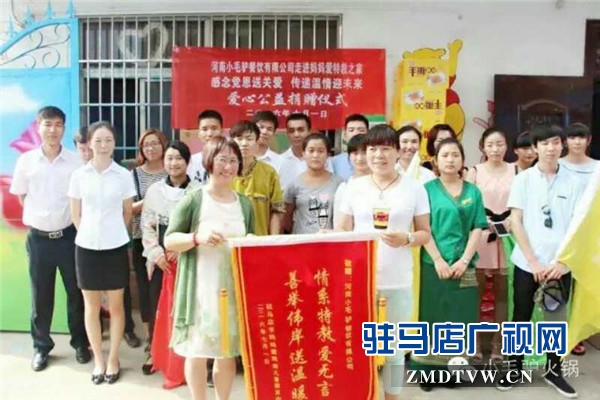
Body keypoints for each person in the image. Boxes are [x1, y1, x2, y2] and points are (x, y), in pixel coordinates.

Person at [336, 124, 431, 400]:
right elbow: (342, 229)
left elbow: (425, 234)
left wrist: (407, 238)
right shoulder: (354, 188)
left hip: (398, 280)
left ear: (397, 152)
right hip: (359, 280)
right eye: (373, 149)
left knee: (394, 350)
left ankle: (392, 397)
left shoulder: (414, 188)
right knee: (356, 347)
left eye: (386, 149)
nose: (379, 155)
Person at [165, 137, 255, 400]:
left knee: (226, 352)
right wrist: (196, 238)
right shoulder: (194, 199)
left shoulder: (244, 204)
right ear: (209, 162)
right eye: (222, 159)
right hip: (200, 289)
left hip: (232, 291)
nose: (228, 166)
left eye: (233, 161)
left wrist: (251, 243)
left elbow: (251, 242)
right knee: (197, 350)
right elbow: (169, 240)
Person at [498, 125, 582, 397]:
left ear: (562, 145)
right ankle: (514, 368)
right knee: (520, 317)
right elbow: (516, 221)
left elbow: (578, 224)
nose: (550, 148)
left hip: (560, 265)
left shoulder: (573, 181)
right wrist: (533, 261)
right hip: (527, 263)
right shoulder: (523, 180)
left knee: (555, 320)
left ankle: (554, 371)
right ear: (535, 148)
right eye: (544, 143)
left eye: (555, 142)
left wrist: (563, 262)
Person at [9, 106, 89, 372]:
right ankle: (41, 347)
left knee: (76, 293)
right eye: (48, 124)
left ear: (64, 128)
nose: (53, 130)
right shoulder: (26, 161)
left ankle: (80, 343)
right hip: (39, 240)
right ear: (38, 126)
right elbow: (22, 196)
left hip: (68, 237)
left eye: (58, 124)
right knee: (41, 296)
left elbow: (81, 199)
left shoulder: (75, 162)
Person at [410, 138, 488, 392]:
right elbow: (423, 228)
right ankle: (426, 372)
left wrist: (464, 260)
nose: (450, 160)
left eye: (455, 155)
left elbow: (478, 227)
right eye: (445, 155)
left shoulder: (473, 192)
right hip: (432, 264)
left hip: (465, 266)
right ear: (435, 160)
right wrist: (438, 260)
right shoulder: (425, 190)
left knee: (460, 319)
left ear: (463, 160)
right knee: (431, 317)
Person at [68, 121, 136, 384]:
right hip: (86, 249)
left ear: (114, 143)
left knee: (117, 307)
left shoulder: (123, 175)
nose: (103, 145)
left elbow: (127, 212)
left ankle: (113, 358)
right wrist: (89, 235)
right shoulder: (79, 175)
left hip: (115, 248)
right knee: (91, 307)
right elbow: (76, 214)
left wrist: (111, 234)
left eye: (108, 140)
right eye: (98, 140)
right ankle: (98, 359)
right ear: (89, 143)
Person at [141, 141, 197, 386]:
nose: (174, 163)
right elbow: (147, 225)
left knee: (186, 312)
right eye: (170, 158)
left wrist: (181, 248)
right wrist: (157, 254)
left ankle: (188, 361)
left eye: (179, 158)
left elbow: (199, 226)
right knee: (158, 308)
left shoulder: (197, 192)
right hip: (161, 262)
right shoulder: (154, 191)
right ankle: (156, 354)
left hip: (186, 261)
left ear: (187, 162)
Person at [465, 128, 516, 363]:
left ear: (507, 146)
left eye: (499, 144)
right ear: (482, 147)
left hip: (508, 237)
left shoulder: (516, 171)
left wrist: (510, 221)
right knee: (474, 295)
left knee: (503, 295)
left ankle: (498, 346)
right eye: (490, 144)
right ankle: (474, 343)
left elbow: (522, 204)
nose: (495, 149)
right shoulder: (474, 172)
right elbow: (466, 204)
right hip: (480, 237)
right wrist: (482, 220)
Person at [126, 129, 169, 354]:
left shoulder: (172, 170)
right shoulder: (133, 175)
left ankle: (166, 334)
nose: (151, 148)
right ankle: (151, 334)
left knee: (164, 287)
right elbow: (129, 209)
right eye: (146, 145)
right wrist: (152, 199)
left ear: (163, 145)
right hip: (141, 238)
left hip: (168, 239)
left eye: (155, 143)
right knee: (145, 287)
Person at [558, 122, 599, 356]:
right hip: (561, 232)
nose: (576, 142)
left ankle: (577, 334)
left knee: (583, 283)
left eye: (581, 137)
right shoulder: (557, 165)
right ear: (565, 141)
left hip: (590, 235)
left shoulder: (597, 168)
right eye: (572, 137)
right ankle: (560, 333)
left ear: (588, 140)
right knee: (561, 285)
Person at [230, 120, 285, 236]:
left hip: (260, 239)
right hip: (231, 240)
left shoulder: (269, 172)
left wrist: (273, 240)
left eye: (249, 139)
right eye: (239, 139)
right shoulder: (224, 172)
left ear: (257, 143)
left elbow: (276, 211)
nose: (244, 143)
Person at [283, 133, 343, 234]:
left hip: (329, 240)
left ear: (328, 155)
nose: (315, 155)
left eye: (320, 151)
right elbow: (286, 218)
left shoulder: (338, 183)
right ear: (303, 153)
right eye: (311, 151)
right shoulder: (293, 184)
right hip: (302, 240)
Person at [277, 113, 333, 190]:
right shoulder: (279, 161)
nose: (296, 135)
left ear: (309, 131)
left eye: (301, 130)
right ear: (287, 134)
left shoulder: (321, 159)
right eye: (292, 131)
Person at [333, 134, 370, 228]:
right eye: (355, 153)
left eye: (364, 152)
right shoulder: (344, 188)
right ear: (349, 156)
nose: (359, 158)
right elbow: (338, 224)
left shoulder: (382, 184)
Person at [187, 110, 223, 185]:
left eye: (214, 128)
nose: (209, 134)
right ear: (199, 133)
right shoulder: (191, 161)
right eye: (205, 129)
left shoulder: (230, 159)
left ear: (221, 131)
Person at [331, 114, 369, 180]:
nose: (356, 133)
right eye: (351, 130)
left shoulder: (375, 159)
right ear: (345, 135)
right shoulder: (335, 161)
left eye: (361, 130)